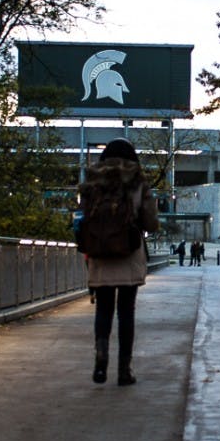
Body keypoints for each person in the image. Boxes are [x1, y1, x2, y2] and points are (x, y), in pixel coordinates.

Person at [86, 138, 160, 386]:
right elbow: (150, 221)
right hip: (128, 250)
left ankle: (101, 355)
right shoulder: (137, 180)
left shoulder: (91, 179)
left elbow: (81, 217)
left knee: (103, 308)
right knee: (126, 312)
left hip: (99, 252)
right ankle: (124, 370)